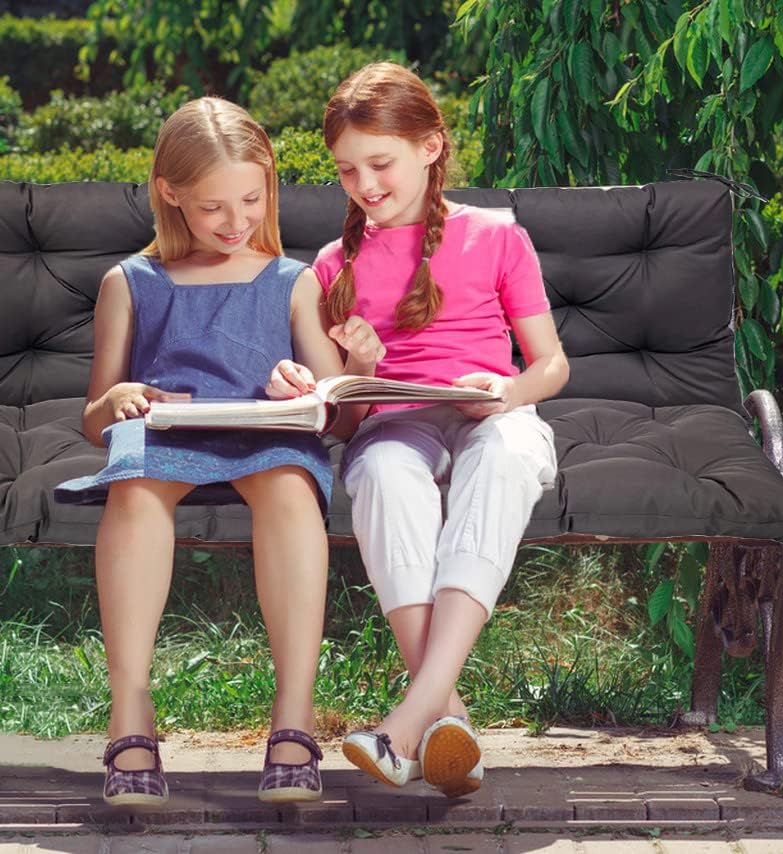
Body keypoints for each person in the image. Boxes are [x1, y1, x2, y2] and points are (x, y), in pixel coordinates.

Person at [55, 97, 384, 807]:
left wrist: (338, 375)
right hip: (166, 434)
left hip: (267, 435)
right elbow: (94, 417)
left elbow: (339, 415)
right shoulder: (130, 283)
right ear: (170, 193)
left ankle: (294, 716)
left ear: (269, 187)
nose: (236, 222)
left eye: (251, 200)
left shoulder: (292, 281)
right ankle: (130, 711)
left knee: (292, 492)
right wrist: (118, 400)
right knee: (134, 494)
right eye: (213, 208)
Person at [312, 62, 570, 798]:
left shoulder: (496, 236)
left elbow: (551, 364)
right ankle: (442, 717)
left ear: (430, 147)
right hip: (395, 424)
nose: (365, 185)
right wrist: (358, 363)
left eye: (380, 163)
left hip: (490, 415)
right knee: (381, 473)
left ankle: (410, 724)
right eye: (347, 170)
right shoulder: (333, 264)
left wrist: (509, 389)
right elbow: (345, 421)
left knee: (508, 455)